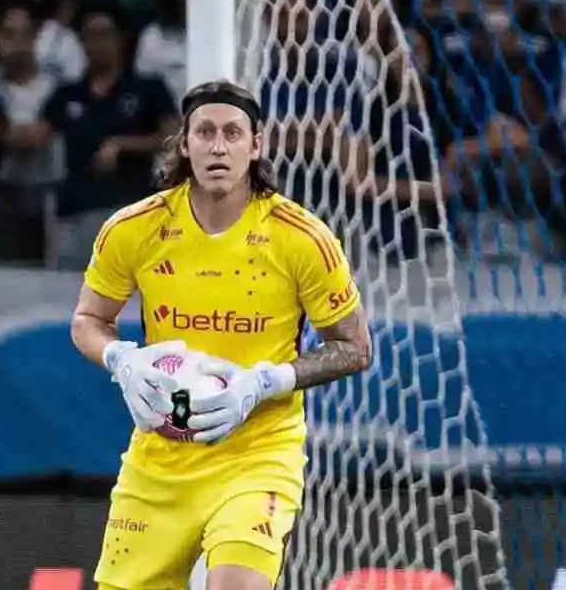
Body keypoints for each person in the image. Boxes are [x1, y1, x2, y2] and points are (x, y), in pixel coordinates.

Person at [70, 80, 373, 590]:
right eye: (205, 132)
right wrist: (122, 359)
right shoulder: (133, 229)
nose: (218, 147)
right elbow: (87, 321)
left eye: (233, 134)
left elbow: (355, 347)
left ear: (256, 145)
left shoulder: (302, 238)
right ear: (183, 143)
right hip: (161, 456)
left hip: (258, 453)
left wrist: (265, 382)